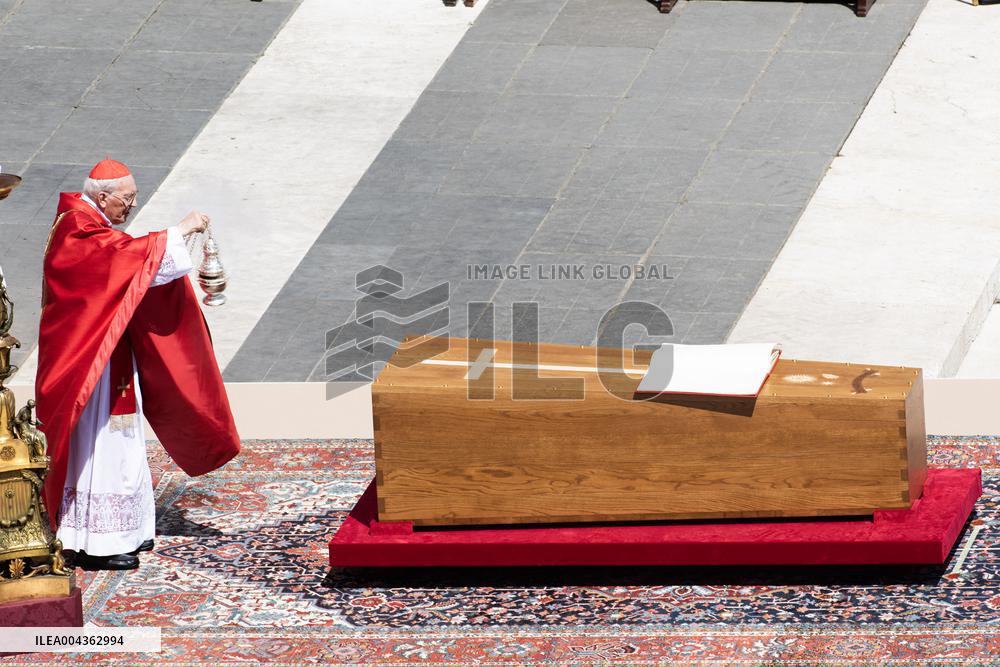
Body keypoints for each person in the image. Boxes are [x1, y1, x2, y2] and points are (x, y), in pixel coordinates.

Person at [36, 159, 241, 571]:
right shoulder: (78, 228)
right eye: (126, 199)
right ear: (103, 195)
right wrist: (179, 231)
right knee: (102, 446)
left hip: (103, 352)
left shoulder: (85, 221)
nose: (129, 206)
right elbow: (118, 259)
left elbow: (122, 265)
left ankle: (110, 532)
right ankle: (99, 542)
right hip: (87, 364)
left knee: (112, 443)